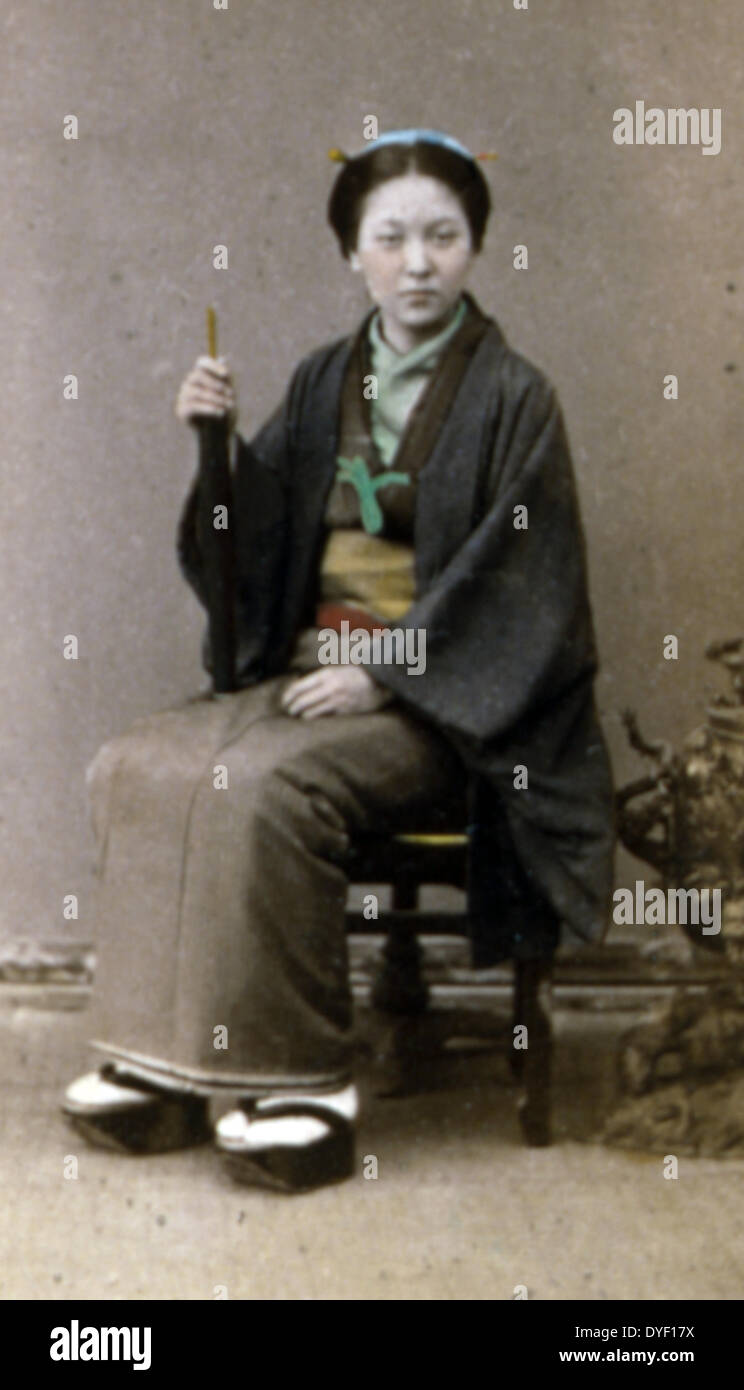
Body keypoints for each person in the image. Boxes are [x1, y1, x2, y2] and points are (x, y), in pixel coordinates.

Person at [62, 128, 615, 1193]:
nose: (419, 263)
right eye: (392, 238)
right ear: (351, 253)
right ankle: (159, 1062)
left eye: (443, 237)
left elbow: (523, 585)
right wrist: (216, 451)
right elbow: (253, 557)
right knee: (138, 760)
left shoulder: (514, 398)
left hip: (444, 711)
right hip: (309, 674)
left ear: (475, 249)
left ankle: (303, 1088)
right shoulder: (325, 381)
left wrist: (391, 669)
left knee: (266, 790)